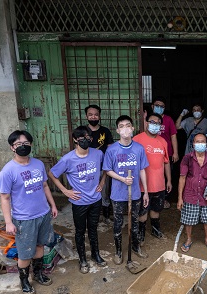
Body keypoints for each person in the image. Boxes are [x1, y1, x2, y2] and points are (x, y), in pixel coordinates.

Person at [0, 130, 58, 294]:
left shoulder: (38, 164)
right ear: (12, 148)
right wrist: (9, 222)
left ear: (31, 144)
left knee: (40, 246)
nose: (22, 147)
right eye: (18, 144)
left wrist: (52, 205)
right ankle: (24, 280)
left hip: (43, 214)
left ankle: (38, 274)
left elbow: (45, 186)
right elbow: (5, 198)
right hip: (24, 219)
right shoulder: (7, 171)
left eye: (25, 143)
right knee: (25, 253)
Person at [48, 126, 106, 274]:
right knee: (80, 231)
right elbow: (52, 173)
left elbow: (106, 168)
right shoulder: (68, 159)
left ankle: (95, 254)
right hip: (79, 201)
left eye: (88, 137)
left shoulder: (98, 154)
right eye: (81, 138)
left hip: (95, 199)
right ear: (75, 140)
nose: (85, 140)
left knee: (93, 229)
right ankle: (82, 259)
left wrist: (102, 183)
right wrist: (64, 190)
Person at [103, 115, 150, 266]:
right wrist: (122, 179)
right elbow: (108, 170)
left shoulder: (138, 148)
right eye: (121, 126)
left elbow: (142, 170)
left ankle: (135, 247)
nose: (125, 129)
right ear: (117, 130)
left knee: (134, 221)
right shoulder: (112, 150)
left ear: (132, 128)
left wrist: (146, 192)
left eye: (128, 125)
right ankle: (118, 251)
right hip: (117, 194)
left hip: (135, 192)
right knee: (118, 223)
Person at [177, 133, 207, 252]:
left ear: (206, 144)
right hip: (190, 194)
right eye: (197, 141)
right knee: (188, 219)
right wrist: (180, 198)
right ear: (193, 143)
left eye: (202, 141)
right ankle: (189, 239)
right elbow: (182, 178)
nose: (200, 144)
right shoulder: (187, 158)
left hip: (206, 195)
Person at [133, 112, 171, 242]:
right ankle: (141, 233)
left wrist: (169, 180)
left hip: (159, 183)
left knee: (156, 209)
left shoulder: (163, 141)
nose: (155, 125)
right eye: (152, 122)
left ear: (161, 126)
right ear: (147, 123)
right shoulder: (137, 140)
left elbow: (166, 162)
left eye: (158, 123)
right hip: (141, 185)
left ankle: (155, 230)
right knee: (142, 211)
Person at [84, 104, 115, 219]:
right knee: (88, 191)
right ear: (86, 116)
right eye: (90, 115)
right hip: (87, 168)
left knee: (104, 191)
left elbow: (110, 150)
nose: (93, 117)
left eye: (96, 114)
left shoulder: (105, 131)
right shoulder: (83, 131)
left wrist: (108, 165)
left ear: (99, 116)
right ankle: (92, 216)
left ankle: (106, 214)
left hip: (103, 167)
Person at [149, 96, 178, 208]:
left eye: (162, 106)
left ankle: (165, 198)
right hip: (151, 153)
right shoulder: (148, 120)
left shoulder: (168, 120)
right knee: (152, 174)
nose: (159, 108)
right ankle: (151, 196)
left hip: (166, 153)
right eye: (157, 105)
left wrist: (175, 152)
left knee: (167, 175)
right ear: (152, 106)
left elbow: (173, 136)